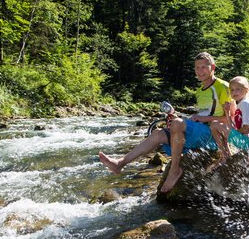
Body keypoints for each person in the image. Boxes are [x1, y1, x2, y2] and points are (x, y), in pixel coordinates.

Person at [99, 52, 233, 193]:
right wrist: (181, 118)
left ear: (213, 67)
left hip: (212, 136)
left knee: (177, 123)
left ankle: (174, 170)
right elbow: (205, 114)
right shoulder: (199, 91)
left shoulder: (223, 86)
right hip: (200, 132)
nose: (200, 71)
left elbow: (230, 120)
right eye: (197, 68)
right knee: (158, 133)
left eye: (204, 67)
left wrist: (200, 119)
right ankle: (120, 163)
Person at [208, 76, 249, 170]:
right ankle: (226, 154)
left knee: (214, 124)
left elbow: (246, 129)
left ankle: (225, 155)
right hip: (247, 141)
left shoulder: (245, 104)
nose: (234, 92)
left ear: (246, 90)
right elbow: (232, 127)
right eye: (232, 90)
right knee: (216, 125)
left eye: (238, 89)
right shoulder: (241, 104)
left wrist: (230, 133)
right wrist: (227, 112)